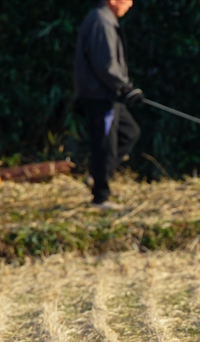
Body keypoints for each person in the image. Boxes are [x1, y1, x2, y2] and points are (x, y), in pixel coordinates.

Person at [74, 0, 144, 210]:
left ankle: (97, 175)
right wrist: (125, 88)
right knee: (104, 145)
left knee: (129, 133)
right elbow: (105, 65)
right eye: (127, 0)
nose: (130, 4)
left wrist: (124, 90)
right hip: (101, 96)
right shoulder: (102, 22)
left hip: (109, 95)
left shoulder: (104, 19)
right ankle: (100, 198)